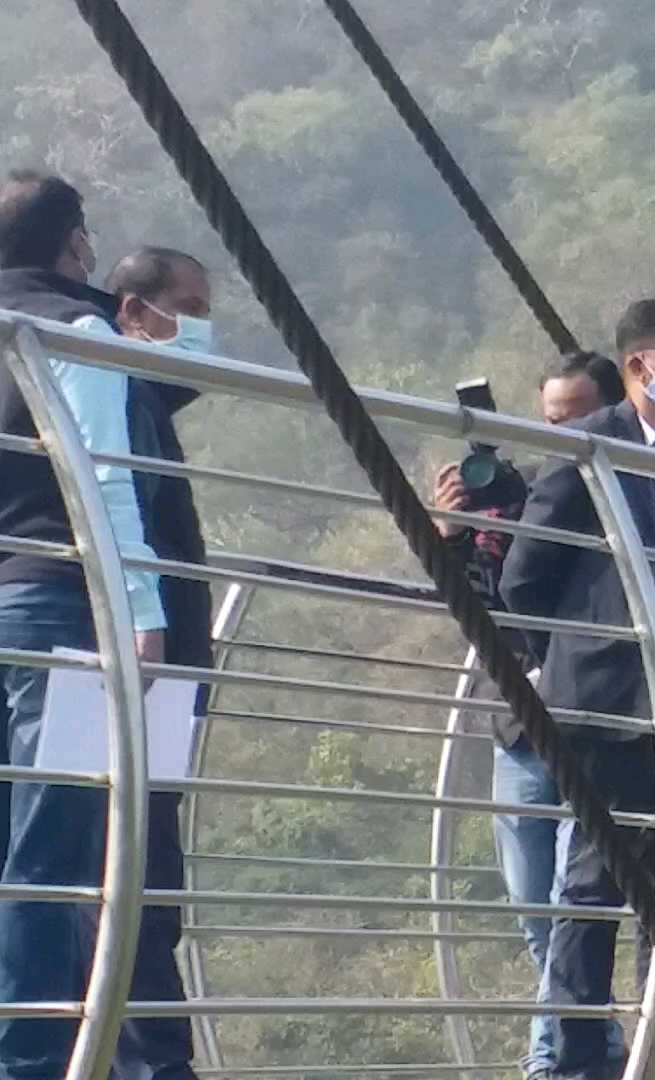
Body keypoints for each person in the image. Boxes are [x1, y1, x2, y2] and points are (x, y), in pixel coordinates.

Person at [500, 299, 655, 1080]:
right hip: (613, 695)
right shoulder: (589, 446)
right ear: (640, 364)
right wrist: (588, 654)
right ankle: (578, 1060)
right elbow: (526, 576)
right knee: (594, 883)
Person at [0, 172, 196, 1080]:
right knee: (56, 849)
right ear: (74, 245)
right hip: (64, 605)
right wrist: (143, 613)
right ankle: (35, 1058)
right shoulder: (73, 332)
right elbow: (102, 479)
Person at [431, 350, 625, 1080]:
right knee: (532, 907)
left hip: (592, 721)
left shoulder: (619, 496)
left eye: (578, 417)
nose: (564, 434)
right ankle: (594, 1041)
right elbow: (477, 611)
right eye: (552, 421)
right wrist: (451, 536)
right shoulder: (517, 503)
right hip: (516, 724)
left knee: (570, 900)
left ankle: (554, 1062)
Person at [102, 247, 222, 1080]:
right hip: (137, 662)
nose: (201, 330)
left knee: (144, 869)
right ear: (134, 312)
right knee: (131, 871)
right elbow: (122, 509)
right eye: (187, 307)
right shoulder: (117, 392)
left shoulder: (142, 398)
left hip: (161, 669)